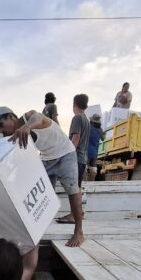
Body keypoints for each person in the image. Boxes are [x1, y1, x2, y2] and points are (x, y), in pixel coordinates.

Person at [0, 106, 85, 247]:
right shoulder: (12, 134)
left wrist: (27, 126)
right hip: (47, 158)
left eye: (0, 124)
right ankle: (34, 228)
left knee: (72, 190)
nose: (1, 129)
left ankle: (79, 232)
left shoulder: (29, 117)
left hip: (65, 153)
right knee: (36, 190)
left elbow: (37, 117)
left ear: (10, 117)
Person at [56, 94, 89, 223]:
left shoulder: (77, 118)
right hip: (82, 158)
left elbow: (76, 138)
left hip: (75, 158)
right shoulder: (86, 119)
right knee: (77, 188)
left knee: (74, 189)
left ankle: (74, 215)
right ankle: (77, 215)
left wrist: (67, 155)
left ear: (74, 104)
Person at [86, 113, 105, 181]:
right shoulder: (100, 130)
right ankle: (91, 184)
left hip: (87, 152)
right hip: (94, 153)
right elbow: (103, 138)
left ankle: (84, 185)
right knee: (93, 170)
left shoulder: (88, 128)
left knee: (85, 169)